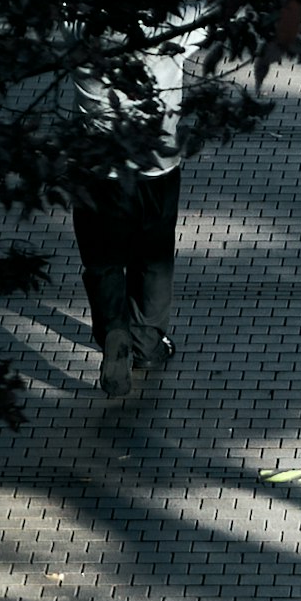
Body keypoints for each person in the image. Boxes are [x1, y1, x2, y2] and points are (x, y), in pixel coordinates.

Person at [66, 36, 186, 394]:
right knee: (153, 259)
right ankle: (147, 346)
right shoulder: (172, 23)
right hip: (156, 169)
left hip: (96, 172)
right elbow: (216, 14)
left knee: (101, 262)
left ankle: (114, 331)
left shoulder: (82, 25)